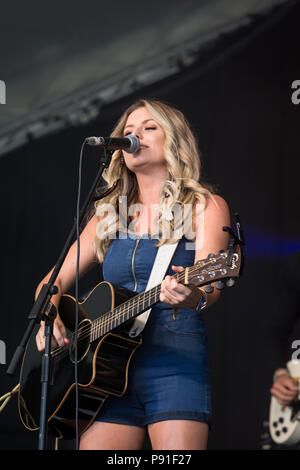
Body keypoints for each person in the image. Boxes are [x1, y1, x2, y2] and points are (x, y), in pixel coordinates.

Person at [35, 99, 231, 450]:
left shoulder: (205, 206)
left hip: (173, 363)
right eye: (127, 131)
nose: (134, 135)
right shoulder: (108, 214)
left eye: (148, 128)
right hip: (104, 373)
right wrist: (48, 319)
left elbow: (210, 290)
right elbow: (52, 282)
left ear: (174, 139)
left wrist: (192, 296)